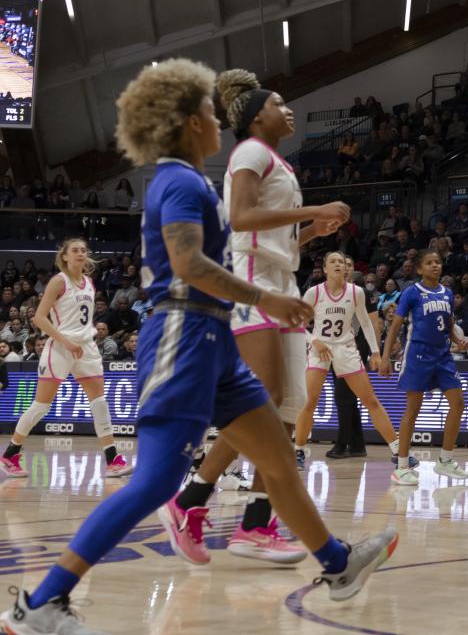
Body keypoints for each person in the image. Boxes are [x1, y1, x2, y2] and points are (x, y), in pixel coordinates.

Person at [3, 60, 396, 635]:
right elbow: (188, 265)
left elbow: (227, 249)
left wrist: (293, 248)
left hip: (212, 338)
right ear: (190, 123)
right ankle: (43, 601)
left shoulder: (190, 182)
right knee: (157, 480)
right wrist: (271, 298)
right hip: (183, 336)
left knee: (278, 455)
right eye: (211, 113)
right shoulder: (180, 182)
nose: (220, 121)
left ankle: (339, 565)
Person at [167, 69, 351, 564]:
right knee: (263, 401)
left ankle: (249, 522)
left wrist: (313, 230)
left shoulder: (278, 164)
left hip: (282, 283)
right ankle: (192, 500)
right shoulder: (248, 153)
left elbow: (276, 240)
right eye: (280, 103)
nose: (288, 109)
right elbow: (243, 220)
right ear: (255, 116)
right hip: (255, 288)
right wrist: (310, 209)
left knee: (287, 411)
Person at [0, 239, 130, 480]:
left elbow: (81, 319)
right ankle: (10, 453)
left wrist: (83, 339)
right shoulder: (58, 281)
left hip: (86, 348)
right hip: (60, 347)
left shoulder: (89, 282)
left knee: (100, 402)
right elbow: (39, 318)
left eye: (83, 250)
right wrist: (67, 340)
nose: (81, 253)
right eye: (75, 250)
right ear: (65, 257)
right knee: (41, 406)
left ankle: (113, 459)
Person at [292, 253, 404, 471]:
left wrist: (375, 352)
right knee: (309, 401)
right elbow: (297, 323)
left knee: (370, 399)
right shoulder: (314, 292)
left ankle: (398, 451)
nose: (338, 264)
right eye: (332, 261)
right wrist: (314, 340)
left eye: (341, 262)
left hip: (345, 348)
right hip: (320, 350)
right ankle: (299, 450)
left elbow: (365, 322)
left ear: (346, 269)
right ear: (324, 268)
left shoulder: (356, 292)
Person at [380, 249, 468, 485]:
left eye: (438, 262)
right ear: (420, 269)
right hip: (418, 354)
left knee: (458, 403)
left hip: (443, 355)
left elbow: (448, 324)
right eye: (429, 263)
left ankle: (445, 460)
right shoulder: (412, 292)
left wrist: (457, 340)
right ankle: (401, 466)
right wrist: (384, 357)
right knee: (414, 408)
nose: (435, 266)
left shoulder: (448, 293)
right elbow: (394, 327)